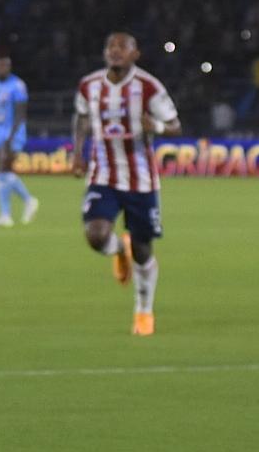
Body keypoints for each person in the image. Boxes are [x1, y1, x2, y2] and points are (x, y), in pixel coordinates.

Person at [71, 32, 181, 336]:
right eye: (111, 47)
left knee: (144, 249)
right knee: (95, 235)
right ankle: (120, 249)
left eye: (123, 47)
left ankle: (143, 311)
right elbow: (81, 117)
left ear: (135, 54)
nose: (115, 51)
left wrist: (155, 126)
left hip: (141, 180)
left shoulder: (149, 87)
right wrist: (77, 152)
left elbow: (175, 126)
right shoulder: (89, 85)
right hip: (102, 175)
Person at [0, 55, 39, 227]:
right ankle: (7, 214)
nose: (3, 67)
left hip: (14, 130)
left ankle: (25, 202)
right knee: (0, 173)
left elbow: (21, 114)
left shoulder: (18, 85)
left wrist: (11, 138)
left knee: (5, 168)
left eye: (6, 64)